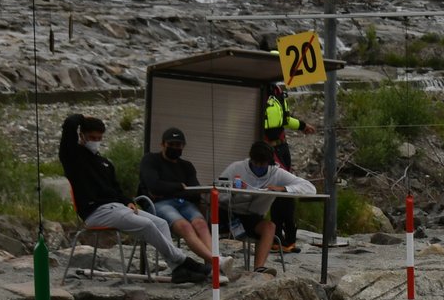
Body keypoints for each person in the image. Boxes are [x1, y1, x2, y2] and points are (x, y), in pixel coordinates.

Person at [58, 113, 208, 284]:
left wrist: (127, 201)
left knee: (161, 223)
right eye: (92, 137)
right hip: (95, 211)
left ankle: (177, 270)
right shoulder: (72, 156)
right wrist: (83, 118)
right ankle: (183, 260)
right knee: (146, 225)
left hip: (117, 207)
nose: (96, 141)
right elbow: (69, 124)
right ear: (81, 135)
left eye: (99, 138)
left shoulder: (105, 163)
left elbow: (116, 189)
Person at [218, 141, 315, 275]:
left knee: (270, 227)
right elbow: (217, 190)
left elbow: (310, 188)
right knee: (209, 222)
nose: (258, 166)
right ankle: (213, 265)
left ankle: (259, 268)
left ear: (269, 162)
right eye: (255, 163)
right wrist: (233, 191)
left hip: (252, 217)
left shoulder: (277, 173)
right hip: (229, 213)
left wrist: (283, 188)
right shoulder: (236, 168)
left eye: (262, 164)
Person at [137, 127, 218, 265]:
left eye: (178, 145)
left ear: (183, 146)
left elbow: (195, 192)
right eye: (171, 144)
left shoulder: (187, 166)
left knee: (201, 224)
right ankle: (216, 262)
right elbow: (153, 185)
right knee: (185, 226)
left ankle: (212, 265)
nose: (175, 148)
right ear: (163, 144)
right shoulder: (150, 159)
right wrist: (179, 186)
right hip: (159, 204)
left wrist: (167, 188)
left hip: (182, 203)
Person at [263, 81, 314, 253]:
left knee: (285, 190)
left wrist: (302, 126)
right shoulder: (258, 89)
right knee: (282, 192)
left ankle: (286, 239)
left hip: (282, 147)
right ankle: (282, 238)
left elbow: (283, 119)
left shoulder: (277, 90)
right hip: (269, 149)